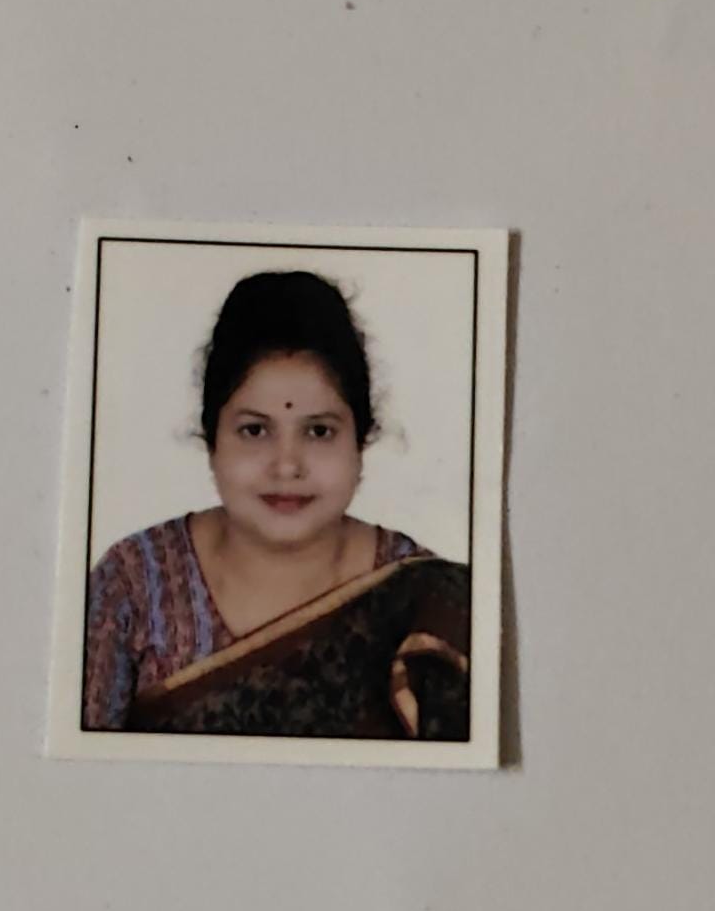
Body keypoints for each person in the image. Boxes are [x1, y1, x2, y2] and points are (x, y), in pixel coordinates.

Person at [83, 271, 469, 739]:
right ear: (212, 441)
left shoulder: (425, 600)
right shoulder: (133, 585)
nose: (287, 466)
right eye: (255, 430)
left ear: (360, 442)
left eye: (319, 431)